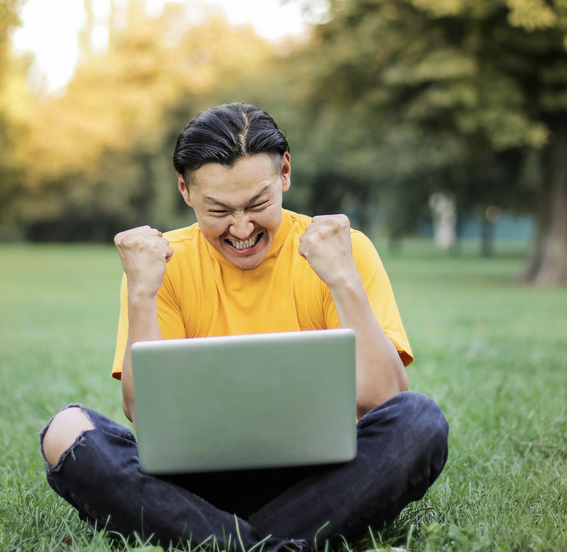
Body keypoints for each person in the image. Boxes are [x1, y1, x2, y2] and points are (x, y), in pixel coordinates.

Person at [38, 103, 449, 552]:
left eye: (258, 204)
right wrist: (141, 292)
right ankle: (273, 544)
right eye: (218, 210)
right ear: (185, 190)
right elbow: (143, 411)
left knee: (421, 420)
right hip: (197, 484)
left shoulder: (340, 250)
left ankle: (218, 542)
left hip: (318, 480)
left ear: (285, 173)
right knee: (65, 432)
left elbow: (387, 401)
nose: (241, 228)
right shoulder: (159, 264)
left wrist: (343, 279)